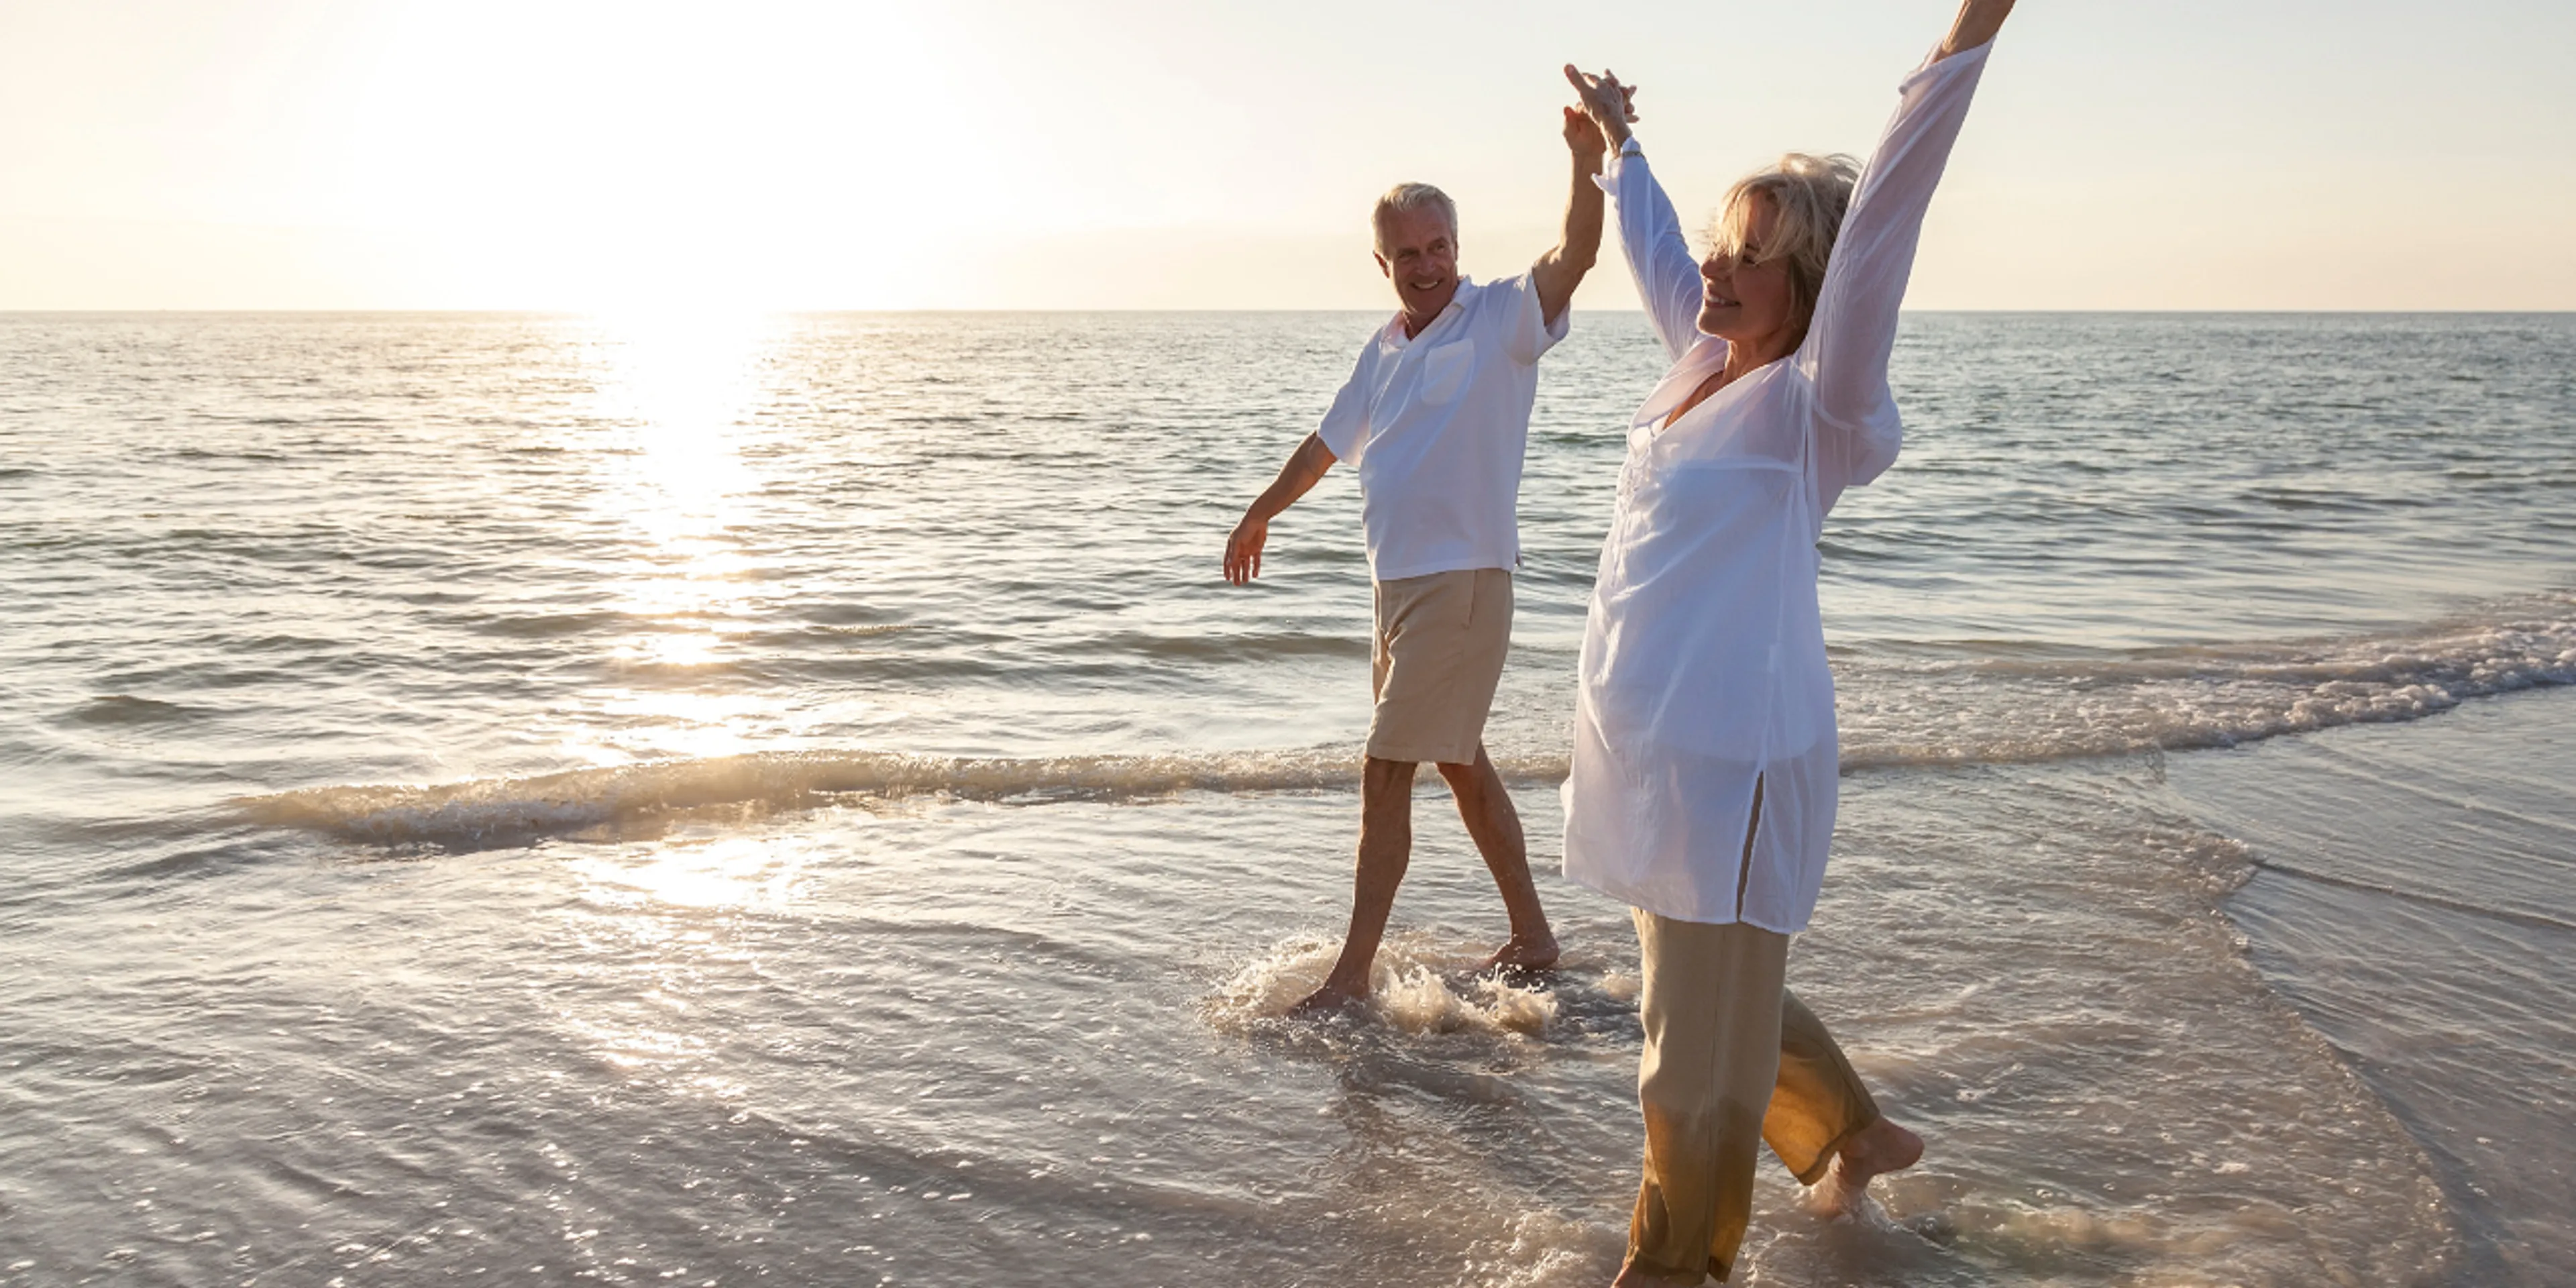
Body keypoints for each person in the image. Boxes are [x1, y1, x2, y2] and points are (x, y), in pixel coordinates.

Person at [1560, 1, 2017, 1281]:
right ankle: (1852, 1136)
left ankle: (1678, 1266)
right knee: (1706, 995)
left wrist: (1968, 36)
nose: (1718, 272)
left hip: (1736, 764)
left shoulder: (1811, 405)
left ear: (1809, 287)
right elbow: (1660, 257)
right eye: (1725, 247)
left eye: (1751, 257)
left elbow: (1886, 224)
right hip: (1651, 752)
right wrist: (1620, 148)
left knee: (1688, 1054)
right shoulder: (1700, 365)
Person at [1222, 82, 1613, 1015]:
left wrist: (1584, 160)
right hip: (1395, 591)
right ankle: (1534, 937)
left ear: (1457, 249)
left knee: (1385, 767)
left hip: (1463, 582)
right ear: (1384, 262)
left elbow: (1577, 254)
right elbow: (1325, 447)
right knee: (1460, 761)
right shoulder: (1385, 347)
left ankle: (1350, 976)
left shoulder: (1500, 318)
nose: (1427, 265)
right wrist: (1260, 512)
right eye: (1409, 254)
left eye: (1440, 247)